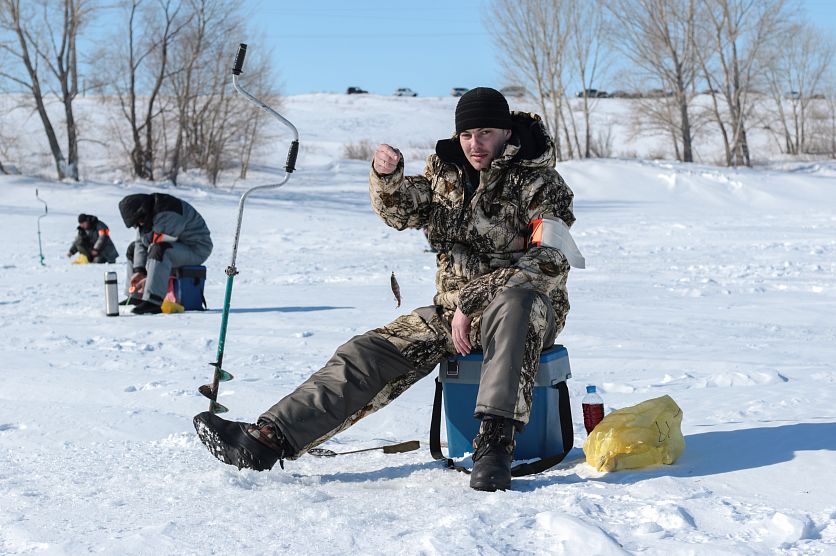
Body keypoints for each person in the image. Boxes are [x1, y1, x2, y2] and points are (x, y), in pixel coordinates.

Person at [193, 87, 576, 492]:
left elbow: (550, 260)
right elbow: (401, 211)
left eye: (484, 133)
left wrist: (473, 298)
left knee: (515, 303)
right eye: (466, 135)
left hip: (528, 310)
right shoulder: (447, 173)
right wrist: (387, 177)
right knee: (369, 351)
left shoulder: (540, 182)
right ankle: (268, 440)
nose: (474, 144)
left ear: (505, 131)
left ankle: (496, 447)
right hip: (452, 315)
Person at [118, 193, 213, 315]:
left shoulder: (168, 213)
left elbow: (159, 250)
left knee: (160, 249)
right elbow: (140, 243)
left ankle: (154, 301)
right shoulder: (145, 214)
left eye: (139, 222)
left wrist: (147, 278)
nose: (139, 225)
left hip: (196, 249)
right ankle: (136, 297)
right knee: (133, 249)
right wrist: (139, 270)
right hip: (175, 247)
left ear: (143, 212)